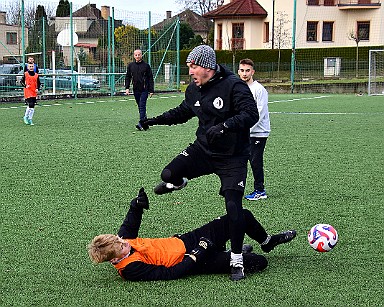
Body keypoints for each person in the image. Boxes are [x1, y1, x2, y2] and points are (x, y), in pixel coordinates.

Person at [139, 45, 260, 281]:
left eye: (193, 66)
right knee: (168, 175)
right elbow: (182, 112)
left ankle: (236, 259)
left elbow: (250, 115)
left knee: (233, 207)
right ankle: (180, 182)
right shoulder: (193, 89)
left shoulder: (234, 85)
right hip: (203, 150)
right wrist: (153, 120)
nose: (190, 72)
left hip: (232, 157)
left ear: (206, 67)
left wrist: (224, 126)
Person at [87, 188, 297, 282]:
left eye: (120, 239)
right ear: (115, 259)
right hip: (195, 260)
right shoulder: (130, 269)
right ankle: (230, 251)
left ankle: (267, 241)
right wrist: (197, 254)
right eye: (121, 245)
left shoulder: (121, 241)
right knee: (259, 263)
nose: (123, 241)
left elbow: (130, 223)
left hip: (188, 239)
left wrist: (137, 205)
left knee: (242, 215)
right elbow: (169, 275)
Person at [238, 58, 271, 201]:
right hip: (244, 131)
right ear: (238, 71)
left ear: (253, 72)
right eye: (242, 70)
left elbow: (259, 113)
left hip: (258, 132)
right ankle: (235, 187)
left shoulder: (259, 89)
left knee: (255, 161)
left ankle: (260, 190)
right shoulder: (239, 88)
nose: (244, 73)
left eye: (247, 71)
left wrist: (244, 128)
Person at [125, 49, 154, 131]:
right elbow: (128, 77)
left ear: (141, 55)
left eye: (139, 54)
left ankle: (141, 123)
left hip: (144, 90)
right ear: (134, 56)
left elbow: (150, 78)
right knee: (140, 106)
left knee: (142, 105)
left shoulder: (146, 66)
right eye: (136, 55)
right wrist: (127, 88)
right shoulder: (131, 66)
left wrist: (151, 90)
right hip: (136, 90)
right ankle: (146, 123)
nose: (137, 56)